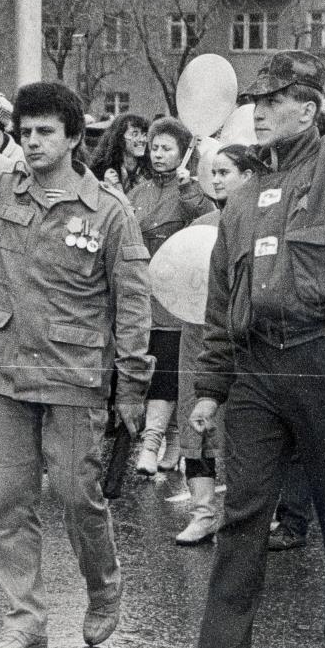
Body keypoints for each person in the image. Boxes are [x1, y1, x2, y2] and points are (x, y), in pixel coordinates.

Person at [162, 51, 325, 648]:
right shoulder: (243, 199)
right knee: (244, 511)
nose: (259, 111)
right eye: (255, 101)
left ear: (310, 106)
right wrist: (209, 389)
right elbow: (220, 302)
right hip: (256, 367)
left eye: (274, 100)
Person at [0, 81, 153, 648]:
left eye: (46, 132)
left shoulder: (110, 212)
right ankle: (25, 621)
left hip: (73, 375)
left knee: (76, 495)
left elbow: (134, 302)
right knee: (8, 501)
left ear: (74, 138)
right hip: (8, 370)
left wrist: (134, 386)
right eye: (25, 132)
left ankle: (104, 588)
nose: (34, 142)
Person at [167, 144, 260, 544]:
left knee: (242, 426)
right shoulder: (200, 222)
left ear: (248, 176)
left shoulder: (262, 219)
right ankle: (203, 512)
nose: (217, 179)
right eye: (214, 172)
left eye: (227, 172)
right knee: (195, 421)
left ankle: (244, 516)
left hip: (244, 336)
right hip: (197, 333)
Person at [127, 116, 208, 476]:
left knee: (171, 370)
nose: (158, 155)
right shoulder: (139, 191)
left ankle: (155, 442)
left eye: (166, 148)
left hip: (178, 294)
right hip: (144, 292)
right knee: (153, 368)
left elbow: (206, 222)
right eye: (154, 147)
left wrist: (190, 190)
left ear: (183, 153)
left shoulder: (192, 189)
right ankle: (169, 443)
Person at [89, 113, 149, 194]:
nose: (142, 139)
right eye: (135, 134)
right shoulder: (100, 169)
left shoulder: (151, 169)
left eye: (144, 134)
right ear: (120, 138)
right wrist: (106, 187)